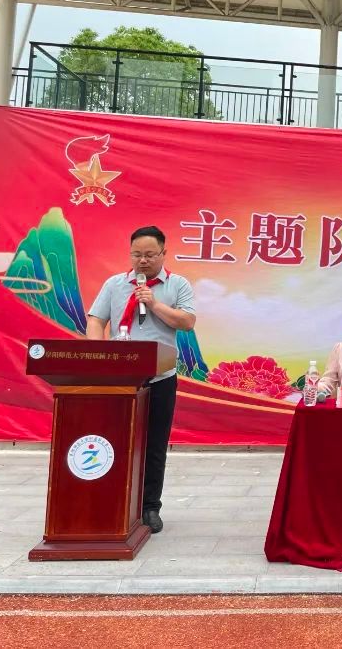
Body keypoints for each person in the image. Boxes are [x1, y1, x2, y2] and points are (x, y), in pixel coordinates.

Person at [86, 225, 196, 535]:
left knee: (154, 445)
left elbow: (187, 321)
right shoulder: (115, 284)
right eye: (137, 255)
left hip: (160, 378)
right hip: (119, 380)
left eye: (149, 255)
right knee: (115, 441)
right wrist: (96, 356)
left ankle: (150, 506)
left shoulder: (177, 284)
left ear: (163, 253)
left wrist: (155, 303)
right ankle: (114, 501)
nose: (142, 261)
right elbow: (96, 320)